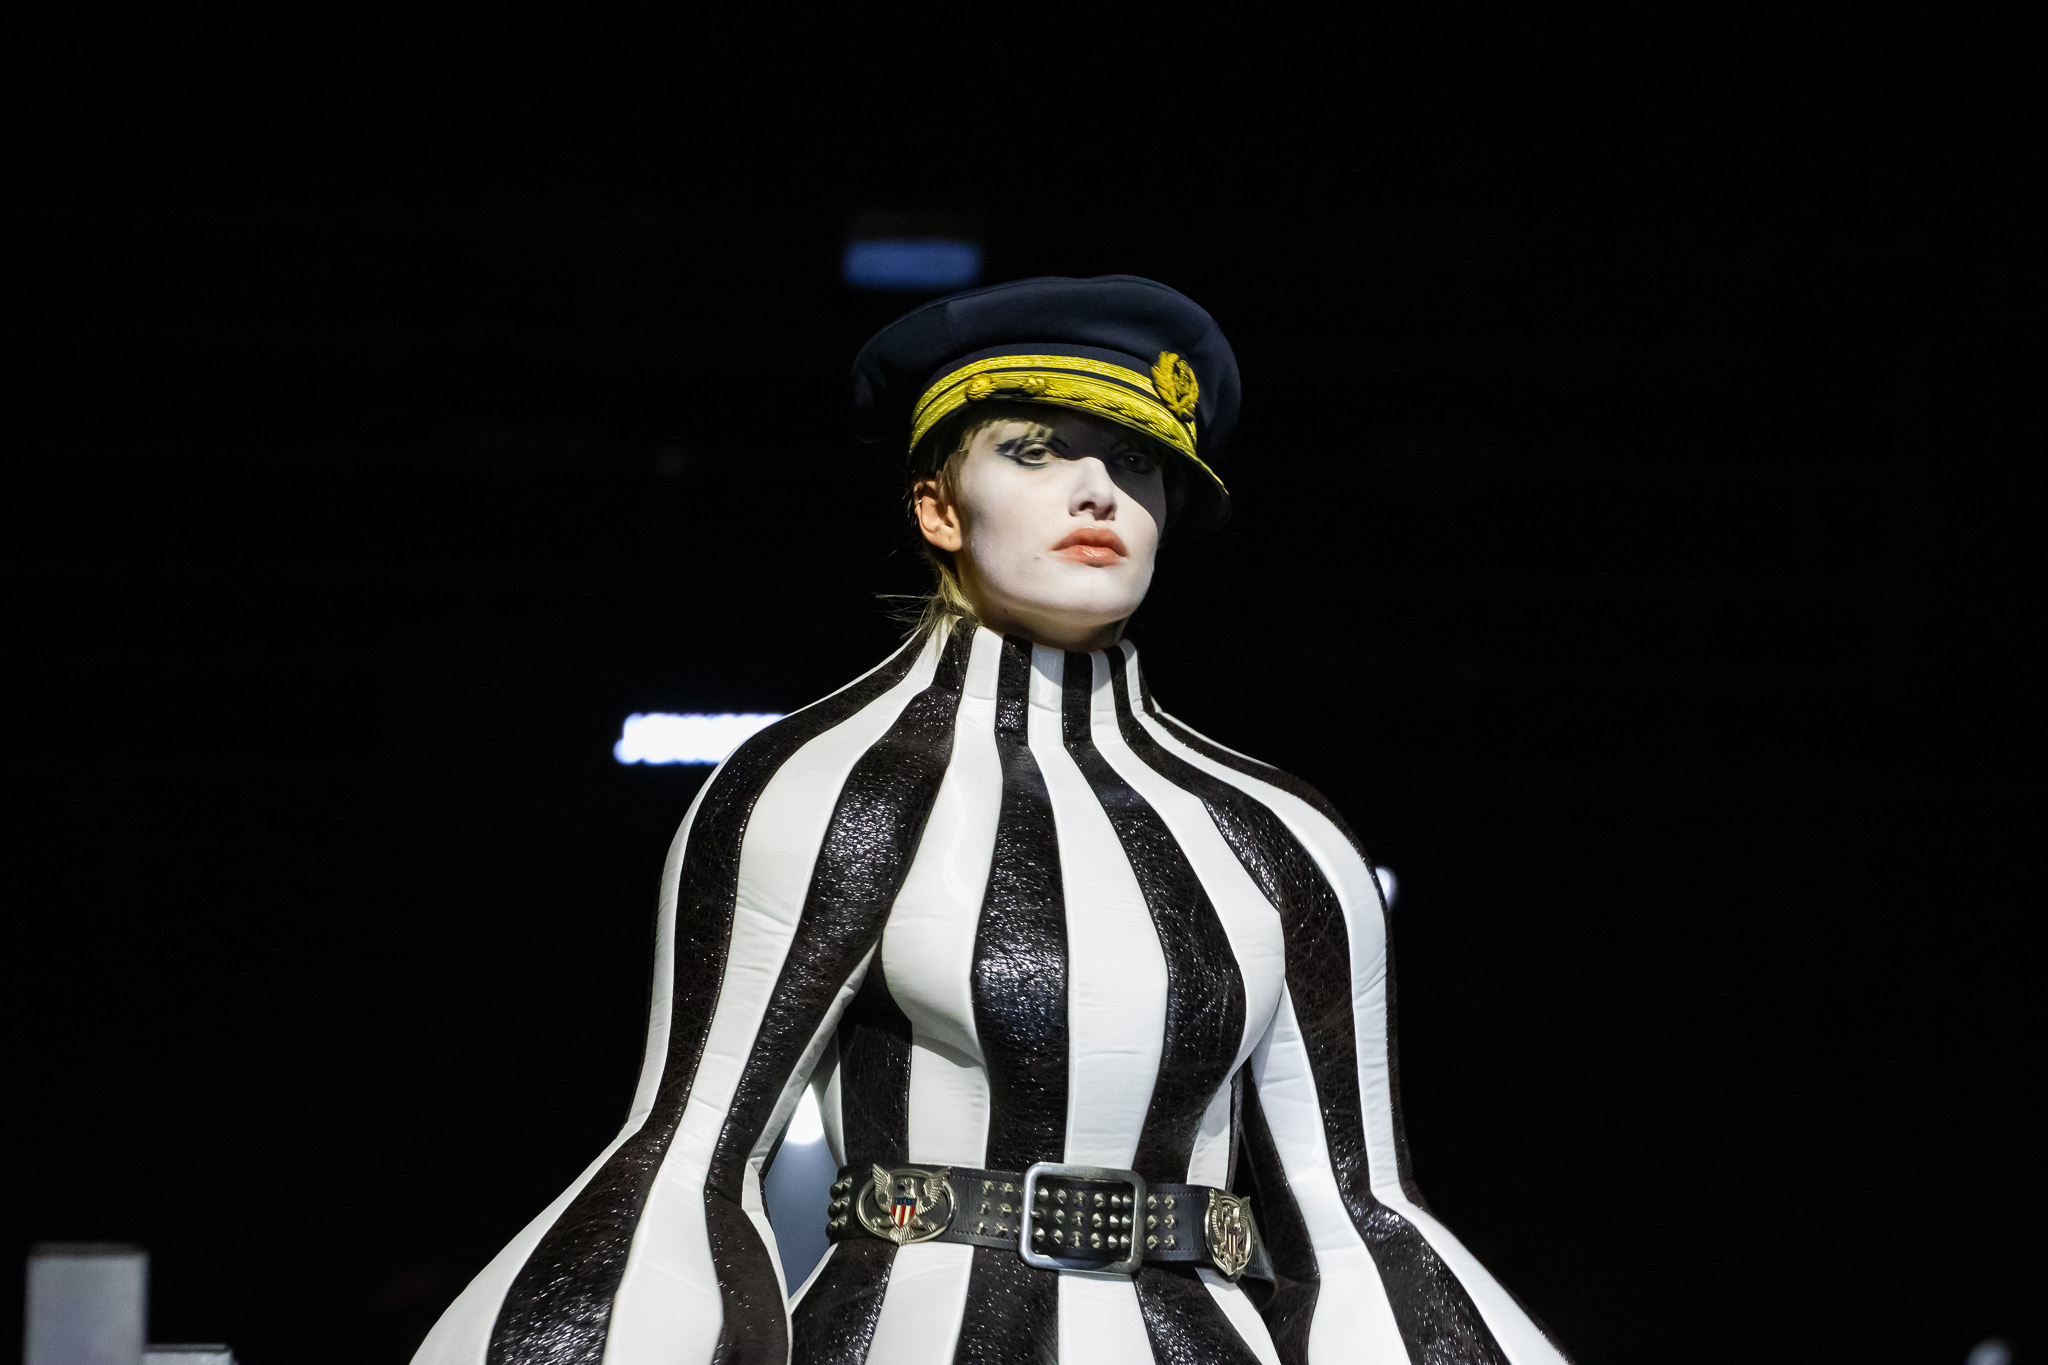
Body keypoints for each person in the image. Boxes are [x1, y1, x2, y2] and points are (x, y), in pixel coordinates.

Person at [413, 276, 1572, 1364]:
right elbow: (686, 1162)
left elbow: (1360, 1220)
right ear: (936, 507)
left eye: (1136, 464)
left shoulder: (1279, 835)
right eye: (1034, 451)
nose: (1097, 492)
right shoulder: (825, 785)